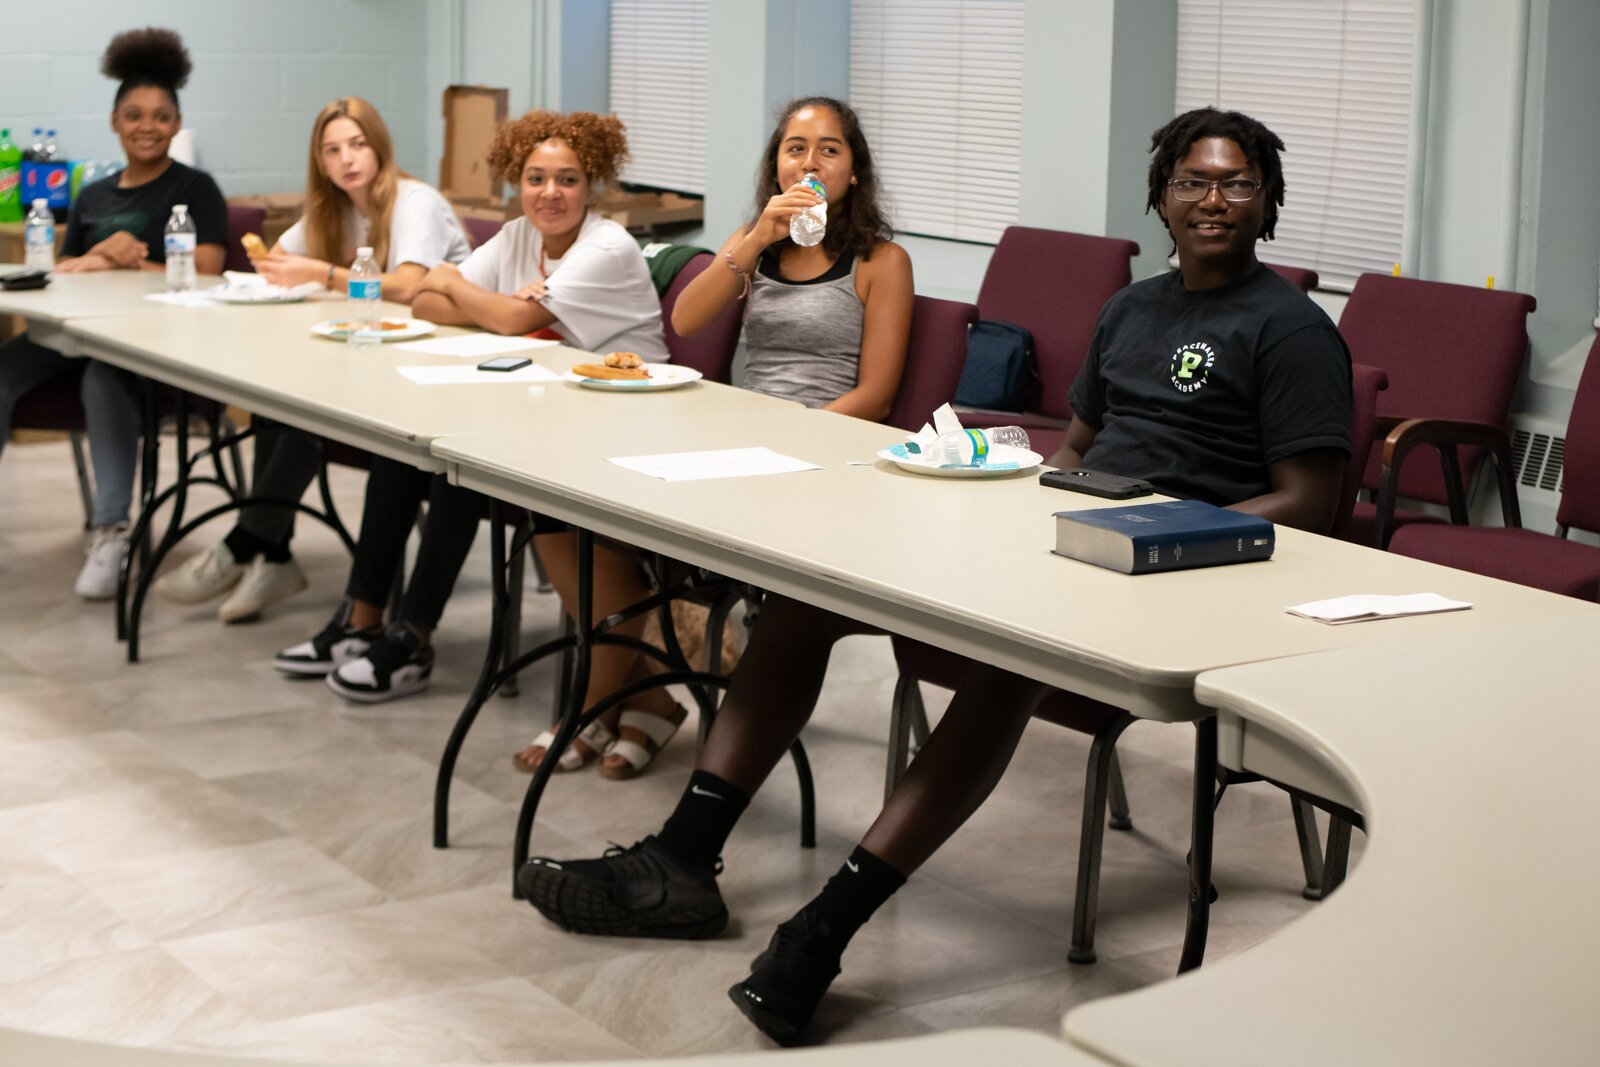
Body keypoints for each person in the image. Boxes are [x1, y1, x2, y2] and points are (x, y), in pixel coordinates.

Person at [518, 107, 1351, 1045]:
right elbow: (1078, 446)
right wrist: (1002, 482)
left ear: (1268, 200)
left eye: (1237, 184)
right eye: (1192, 182)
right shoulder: (1132, 309)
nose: (1213, 201)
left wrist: (1161, 537)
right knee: (805, 605)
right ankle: (682, 857)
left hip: (1187, 569)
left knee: (1005, 661)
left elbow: (1309, 503)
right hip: (1077, 529)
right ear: (1161, 196)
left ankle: (824, 930)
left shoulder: (1291, 330)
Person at [511, 95, 912, 780]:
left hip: (818, 456)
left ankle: (600, 701)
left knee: (617, 522)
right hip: (738, 439)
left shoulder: (882, 260)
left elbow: (874, 396)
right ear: (776, 164)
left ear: (853, 170)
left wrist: (784, 438)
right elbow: (690, 321)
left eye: (828, 149)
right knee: (559, 508)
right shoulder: (753, 243)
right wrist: (754, 241)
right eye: (794, 147)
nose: (809, 161)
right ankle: (641, 696)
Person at [271, 110, 667, 704]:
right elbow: (427, 304)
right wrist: (476, 295)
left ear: (592, 186)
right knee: (404, 448)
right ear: (516, 182)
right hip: (544, 412)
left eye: (567, 179)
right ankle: (362, 621)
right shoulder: (518, 237)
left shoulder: (605, 246)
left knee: (459, 464)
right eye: (535, 179)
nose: (549, 194)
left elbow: (498, 313)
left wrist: (466, 289)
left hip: (620, 427)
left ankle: (412, 636)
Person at [153, 97, 470, 623]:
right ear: (320, 163)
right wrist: (279, 265)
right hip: (375, 355)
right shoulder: (334, 209)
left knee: (310, 415)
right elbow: (280, 261)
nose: (347, 159)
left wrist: (320, 273)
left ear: (380, 147)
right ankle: (271, 553)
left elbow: (410, 287)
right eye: (332, 150)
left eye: (358, 144)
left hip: (437, 366)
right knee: (281, 404)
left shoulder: (415, 201)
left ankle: (245, 540)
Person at [0, 27, 226, 599]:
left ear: (176, 124)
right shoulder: (93, 196)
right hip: (74, 337)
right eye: (133, 115)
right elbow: (69, 270)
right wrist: (98, 255)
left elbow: (209, 270)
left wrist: (135, 263)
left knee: (103, 380)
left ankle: (110, 531)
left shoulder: (195, 189)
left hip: (151, 345)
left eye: (160, 115)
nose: (146, 126)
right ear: (114, 122)